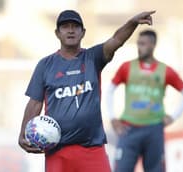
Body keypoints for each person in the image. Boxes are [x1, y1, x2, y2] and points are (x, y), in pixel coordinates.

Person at [18, 9, 155, 172]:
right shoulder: (45, 65)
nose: (70, 30)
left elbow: (116, 40)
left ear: (82, 33)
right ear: (57, 33)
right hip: (57, 151)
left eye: (75, 27)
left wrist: (132, 22)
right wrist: (23, 133)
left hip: (92, 150)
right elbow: (35, 102)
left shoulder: (93, 57)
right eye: (65, 27)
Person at [106, 29, 183, 172]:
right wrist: (112, 118)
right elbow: (109, 90)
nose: (139, 47)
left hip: (154, 129)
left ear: (152, 45)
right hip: (129, 129)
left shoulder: (165, 71)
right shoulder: (126, 67)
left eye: (143, 44)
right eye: (138, 44)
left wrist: (173, 117)